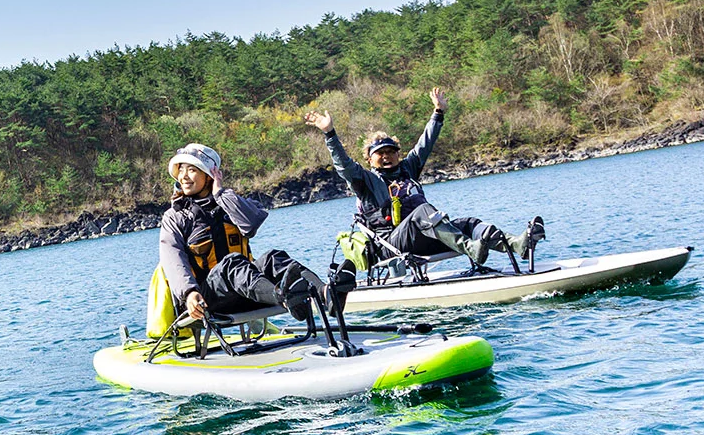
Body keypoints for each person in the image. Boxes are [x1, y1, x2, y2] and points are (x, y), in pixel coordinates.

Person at [304, 88, 542, 270]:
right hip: (392, 246)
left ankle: (517, 245)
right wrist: (329, 134)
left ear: (398, 154)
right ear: (369, 159)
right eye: (380, 154)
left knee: (469, 223)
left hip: (424, 236)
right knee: (423, 212)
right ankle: (471, 249)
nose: (386, 157)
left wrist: (438, 113)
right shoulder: (364, 181)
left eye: (391, 152)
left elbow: (425, 143)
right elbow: (343, 165)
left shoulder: (407, 169)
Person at [158, 142, 328, 325]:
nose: (183, 176)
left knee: (273, 258)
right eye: (181, 170)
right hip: (205, 301)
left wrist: (220, 194)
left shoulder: (229, 202)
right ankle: (285, 297)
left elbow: (250, 224)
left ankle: (326, 293)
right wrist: (189, 292)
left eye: (191, 170)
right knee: (232, 263)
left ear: (208, 176)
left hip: (247, 293)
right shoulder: (175, 217)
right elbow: (173, 259)